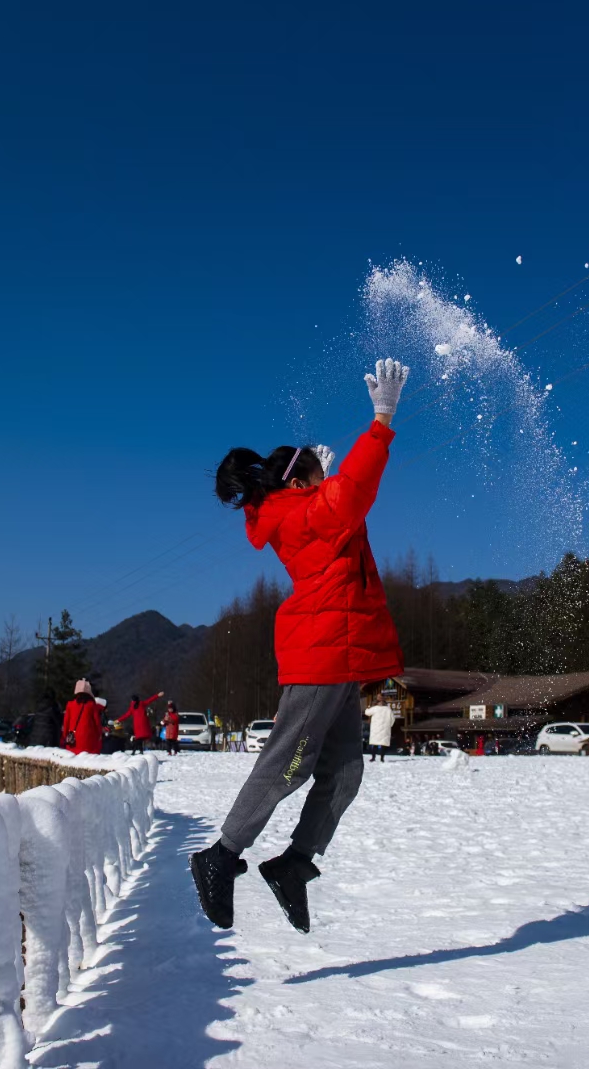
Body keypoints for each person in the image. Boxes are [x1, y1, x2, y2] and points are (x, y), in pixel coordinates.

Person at [191, 357, 409, 935]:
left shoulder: (305, 510)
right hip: (319, 654)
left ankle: (293, 864)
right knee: (287, 764)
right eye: (314, 476)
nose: (323, 483)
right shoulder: (299, 514)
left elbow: (343, 512)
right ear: (297, 483)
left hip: (339, 656)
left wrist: (325, 478)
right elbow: (347, 500)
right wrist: (380, 422)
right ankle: (220, 856)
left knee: (345, 772)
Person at [63, 679, 104, 755]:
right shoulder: (92, 705)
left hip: (73, 741)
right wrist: (99, 735)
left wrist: (65, 735)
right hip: (89, 741)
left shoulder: (70, 704)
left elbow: (66, 722)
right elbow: (97, 722)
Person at [364, 696, 394, 763]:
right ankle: (382, 758)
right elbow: (392, 719)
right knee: (383, 745)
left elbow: (367, 713)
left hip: (375, 729)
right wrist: (389, 726)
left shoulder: (375, 708)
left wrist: (368, 707)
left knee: (374, 744)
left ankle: (373, 758)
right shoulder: (388, 710)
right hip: (385, 730)